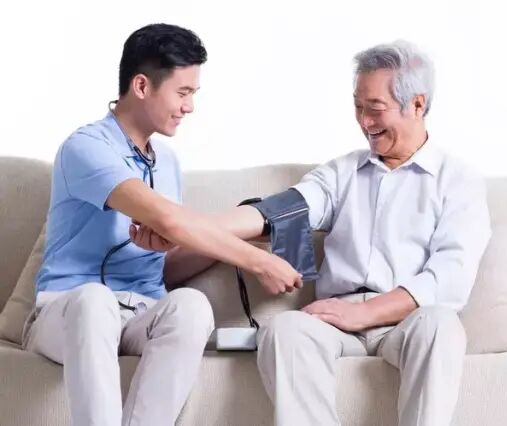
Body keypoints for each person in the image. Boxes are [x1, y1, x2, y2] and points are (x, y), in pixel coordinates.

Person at [23, 23, 302, 426]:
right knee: (95, 300)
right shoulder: (85, 147)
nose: (190, 106)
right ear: (141, 85)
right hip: (66, 313)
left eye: (193, 93)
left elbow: (169, 253)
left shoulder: (166, 161)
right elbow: (169, 218)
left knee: (191, 305)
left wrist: (180, 246)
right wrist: (261, 262)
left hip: (141, 313)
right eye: (183, 92)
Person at [254, 40, 491, 426]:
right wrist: (199, 228)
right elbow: (290, 209)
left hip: (405, 321)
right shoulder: (342, 171)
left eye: (375, 108)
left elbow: (450, 277)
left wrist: (364, 313)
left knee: (441, 324)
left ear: (417, 105)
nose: (364, 122)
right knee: (285, 329)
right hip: (334, 318)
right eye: (358, 106)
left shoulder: (458, 181)